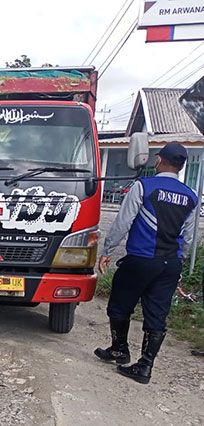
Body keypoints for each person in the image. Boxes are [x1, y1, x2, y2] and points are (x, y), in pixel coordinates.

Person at [95, 142, 197, 384]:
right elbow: (191, 238)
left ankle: (119, 349)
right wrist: (178, 264)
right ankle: (145, 366)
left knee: (120, 305)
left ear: (159, 160)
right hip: (169, 264)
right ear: (181, 167)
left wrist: (107, 250)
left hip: (140, 260)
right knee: (157, 314)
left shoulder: (144, 186)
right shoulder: (191, 196)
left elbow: (122, 222)